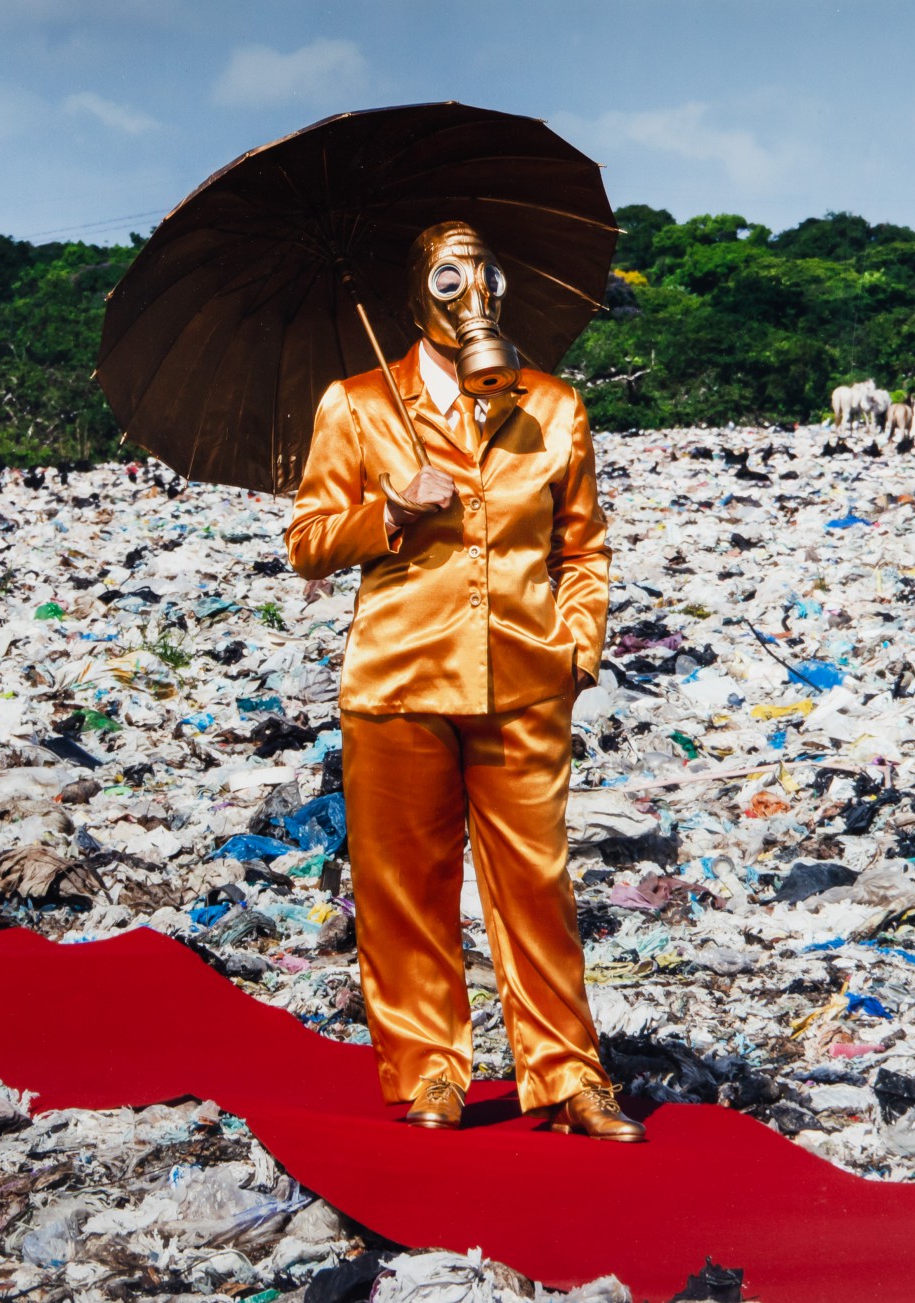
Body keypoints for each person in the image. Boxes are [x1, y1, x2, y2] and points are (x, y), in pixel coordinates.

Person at [284, 221, 643, 1142]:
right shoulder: (358, 404)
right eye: (450, 276)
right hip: (399, 679)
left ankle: (567, 1075)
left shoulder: (554, 406)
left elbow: (584, 547)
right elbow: (307, 544)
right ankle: (430, 1072)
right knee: (405, 887)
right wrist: (388, 509)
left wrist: (576, 648)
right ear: (418, 290)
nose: (471, 293)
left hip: (526, 679)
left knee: (538, 886)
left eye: (486, 274)